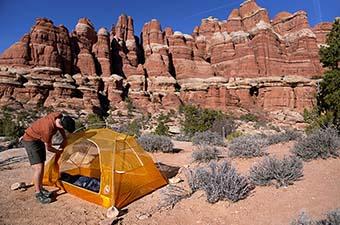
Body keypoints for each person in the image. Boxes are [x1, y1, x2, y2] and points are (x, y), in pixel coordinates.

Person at [21, 112, 75, 204]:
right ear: (62, 125)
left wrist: (64, 138)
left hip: (38, 138)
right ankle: (38, 193)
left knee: (42, 163)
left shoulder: (59, 116)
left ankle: (40, 187)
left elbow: (61, 129)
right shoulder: (48, 130)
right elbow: (49, 148)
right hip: (30, 141)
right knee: (38, 167)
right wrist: (59, 152)